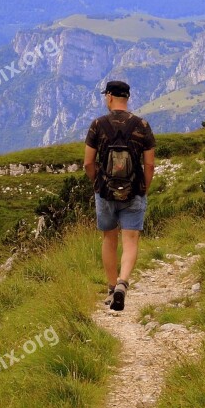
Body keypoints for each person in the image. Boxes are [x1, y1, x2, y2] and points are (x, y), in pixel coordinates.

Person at [84, 80, 155, 311]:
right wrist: (143, 188)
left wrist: (97, 184)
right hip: (133, 192)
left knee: (109, 238)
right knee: (131, 239)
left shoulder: (98, 125)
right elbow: (150, 164)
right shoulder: (142, 125)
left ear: (110, 97)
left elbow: (87, 163)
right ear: (127, 97)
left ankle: (111, 287)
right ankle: (123, 282)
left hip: (105, 193)